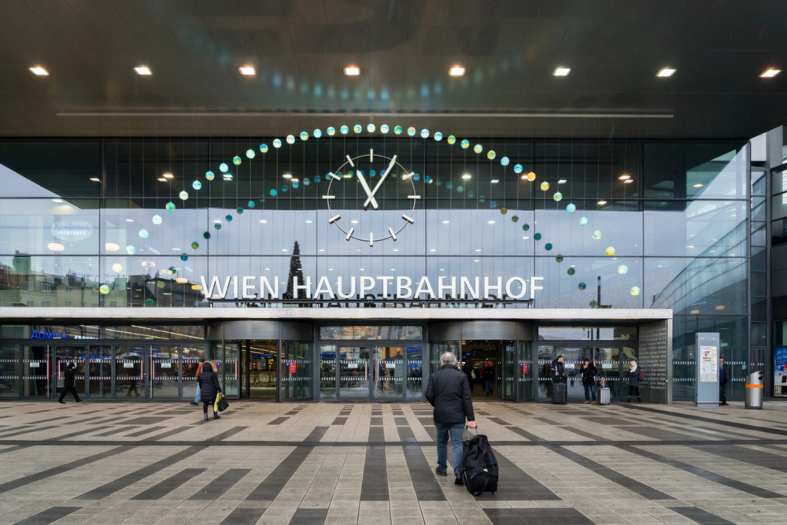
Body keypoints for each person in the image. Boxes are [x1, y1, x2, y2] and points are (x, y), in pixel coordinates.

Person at [425, 351, 476, 486]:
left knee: (441, 442)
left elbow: (428, 394)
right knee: (457, 443)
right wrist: (471, 418)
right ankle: (458, 472)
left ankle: (442, 468)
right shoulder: (461, 376)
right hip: (458, 416)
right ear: (454, 362)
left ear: (442, 362)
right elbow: (467, 398)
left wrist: (437, 403)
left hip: (440, 415)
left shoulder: (435, 376)